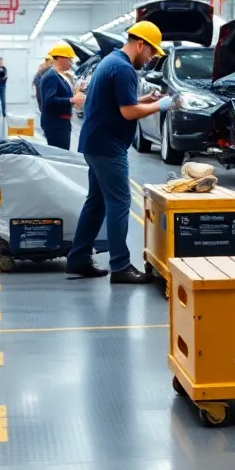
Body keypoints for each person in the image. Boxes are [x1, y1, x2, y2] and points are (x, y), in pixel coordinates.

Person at [66, 21, 173, 283]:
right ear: (140, 45)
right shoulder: (124, 69)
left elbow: (121, 103)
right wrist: (161, 106)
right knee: (120, 202)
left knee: (97, 202)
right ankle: (121, 266)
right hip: (108, 147)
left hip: (95, 143)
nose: (149, 60)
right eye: (150, 53)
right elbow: (127, 112)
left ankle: (78, 258)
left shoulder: (111, 61)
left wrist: (145, 100)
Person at [37, 44, 85, 151]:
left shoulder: (60, 76)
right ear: (60, 58)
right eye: (69, 59)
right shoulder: (52, 77)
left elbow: (62, 94)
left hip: (61, 123)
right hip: (55, 125)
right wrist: (72, 100)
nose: (71, 63)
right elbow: (49, 102)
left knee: (62, 154)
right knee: (60, 155)